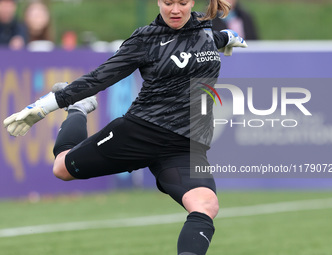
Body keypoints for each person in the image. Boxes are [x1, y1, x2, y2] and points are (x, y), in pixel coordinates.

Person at [3, 0, 247, 254]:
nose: (175, 10)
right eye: (168, 2)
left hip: (185, 145)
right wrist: (45, 106)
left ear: (193, 2)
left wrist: (227, 38)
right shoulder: (145, 40)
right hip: (139, 132)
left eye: (182, 3)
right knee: (61, 168)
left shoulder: (205, 28)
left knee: (206, 204)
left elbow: (210, 38)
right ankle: (79, 109)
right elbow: (99, 77)